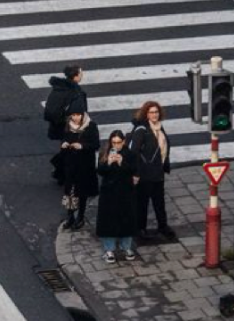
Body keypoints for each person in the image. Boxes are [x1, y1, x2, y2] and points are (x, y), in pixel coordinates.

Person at [127, 101, 174, 239]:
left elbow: (163, 147)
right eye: (151, 112)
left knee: (159, 202)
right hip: (144, 173)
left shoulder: (159, 127)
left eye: (156, 112)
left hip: (157, 172)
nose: (155, 115)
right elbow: (133, 152)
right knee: (142, 202)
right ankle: (140, 228)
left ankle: (163, 226)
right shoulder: (142, 130)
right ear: (146, 114)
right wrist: (135, 173)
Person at [95, 130, 139, 263]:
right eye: (113, 142)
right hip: (109, 192)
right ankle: (109, 250)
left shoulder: (130, 154)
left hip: (125, 191)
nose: (116, 145)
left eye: (118, 142)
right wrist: (108, 162)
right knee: (108, 221)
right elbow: (100, 171)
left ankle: (127, 247)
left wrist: (121, 163)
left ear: (123, 142)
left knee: (126, 219)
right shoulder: (105, 152)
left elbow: (133, 169)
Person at [54, 112, 100, 230]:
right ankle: (70, 217)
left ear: (83, 115)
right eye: (73, 116)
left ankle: (80, 217)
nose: (75, 118)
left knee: (82, 193)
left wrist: (82, 146)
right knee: (70, 191)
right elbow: (63, 139)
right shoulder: (68, 126)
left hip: (85, 166)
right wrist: (63, 145)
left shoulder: (91, 126)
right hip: (71, 165)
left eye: (78, 115)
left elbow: (95, 144)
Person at [42, 65, 88, 141]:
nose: (82, 76)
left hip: (57, 124)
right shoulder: (76, 93)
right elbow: (78, 111)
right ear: (75, 76)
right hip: (69, 126)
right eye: (80, 74)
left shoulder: (59, 88)